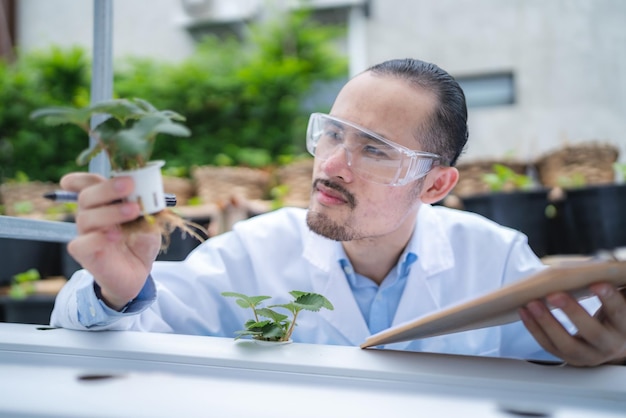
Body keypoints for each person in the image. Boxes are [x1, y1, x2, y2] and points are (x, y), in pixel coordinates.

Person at [50, 58, 626, 367]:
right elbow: (119, 348)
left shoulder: (495, 258)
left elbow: (577, 347)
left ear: (436, 184)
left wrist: (613, 354)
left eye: (374, 149)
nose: (333, 165)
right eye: (331, 134)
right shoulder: (253, 254)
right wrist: (114, 294)